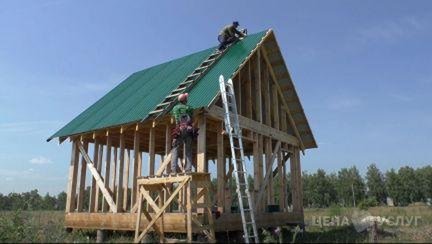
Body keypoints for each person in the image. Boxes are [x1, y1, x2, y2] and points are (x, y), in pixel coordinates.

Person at [170, 93, 197, 174]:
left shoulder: (175, 108)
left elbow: (173, 119)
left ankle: (173, 170)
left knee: (175, 149)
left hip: (179, 130)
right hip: (189, 130)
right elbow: (192, 119)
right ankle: (188, 169)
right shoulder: (190, 108)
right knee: (188, 150)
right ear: (185, 100)